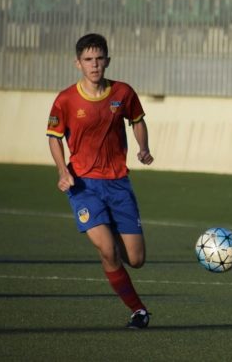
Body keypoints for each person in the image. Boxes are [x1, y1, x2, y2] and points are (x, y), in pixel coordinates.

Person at [46, 33, 154, 329]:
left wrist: (143, 148)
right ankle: (138, 310)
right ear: (77, 63)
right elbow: (54, 138)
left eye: (99, 59)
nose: (95, 65)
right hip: (83, 185)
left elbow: (137, 120)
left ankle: (112, 243)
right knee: (107, 250)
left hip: (118, 183)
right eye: (88, 60)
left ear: (107, 60)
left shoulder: (123, 92)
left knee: (136, 258)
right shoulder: (66, 100)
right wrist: (62, 172)